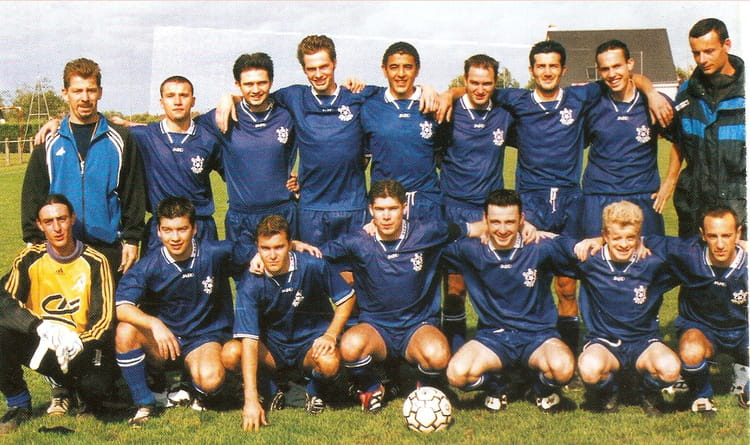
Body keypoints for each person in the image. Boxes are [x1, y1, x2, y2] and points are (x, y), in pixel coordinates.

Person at [438, 40, 673, 362]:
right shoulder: (516, 100)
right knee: (521, 280)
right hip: (531, 203)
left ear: (563, 70)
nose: (547, 72)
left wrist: (651, 91)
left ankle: (572, 354)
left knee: (567, 285)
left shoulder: (580, 97)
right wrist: (447, 94)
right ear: (532, 70)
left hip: (571, 202)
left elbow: (627, 78)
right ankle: (515, 348)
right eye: (541, 66)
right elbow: (471, 90)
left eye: (553, 66)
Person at [322, 179, 482, 413]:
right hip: (376, 327)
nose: (386, 216)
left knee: (438, 355)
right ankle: (372, 387)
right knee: (350, 346)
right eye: (380, 209)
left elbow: (473, 229)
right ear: (371, 210)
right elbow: (315, 256)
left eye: (392, 208)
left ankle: (425, 386)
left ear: (404, 208)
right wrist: (292, 245)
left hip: (417, 326)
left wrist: (522, 228)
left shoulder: (427, 232)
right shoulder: (357, 241)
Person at [114, 197, 242, 427]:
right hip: (166, 341)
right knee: (125, 331)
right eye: (167, 230)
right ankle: (145, 401)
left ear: (194, 229)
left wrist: (292, 246)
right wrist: (154, 324)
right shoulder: (149, 265)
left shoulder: (215, 252)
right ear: (158, 231)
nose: (175, 237)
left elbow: (260, 250)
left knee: (211, 380)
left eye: (182, 229)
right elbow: (122, 307)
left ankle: (190, 386)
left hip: (203, 339)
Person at [443, 189, 574, 413]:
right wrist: (470, 229)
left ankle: (538, 387)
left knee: (563, 370)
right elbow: (429, 241)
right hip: (494, 337)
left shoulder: (539, 247)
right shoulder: (470, 249)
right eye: (495, 222)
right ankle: (498, 386)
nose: (502, 230)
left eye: (510, 222)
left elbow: (578, 249)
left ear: (522, 219)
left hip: (538, 336)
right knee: (457, 375)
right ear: (484, 219)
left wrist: (546, 234)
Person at [224, 214, 356, 431]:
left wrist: (331, 334)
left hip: (309, 346)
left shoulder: (312, 265)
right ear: (257, 247)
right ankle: (271, 389)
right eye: (265, 248)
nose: (272, 255)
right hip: (273, 350)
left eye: (279, 247)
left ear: (290, 245)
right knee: (231, 353)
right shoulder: (250, 282)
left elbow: (347, 298)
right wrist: (251, 399)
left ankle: (313, 390)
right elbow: (249, 341)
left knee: (330, 363)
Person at [0, 194, 115, 434]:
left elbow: (104, 319)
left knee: (95, 388)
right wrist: (38, 327)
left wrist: (79, 342)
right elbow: (5, 302)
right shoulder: (29, 258)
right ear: (40, 225)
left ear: (72, 218)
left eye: (61, 219)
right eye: (49, 221)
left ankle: (75, 391)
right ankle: (18, 404)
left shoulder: (96, 261)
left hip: (81, 347)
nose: (57, 227)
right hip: (44, 343)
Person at [22, 57, 145, 279]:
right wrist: (33, 240)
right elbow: (34, 194)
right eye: (78, 91)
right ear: (65, 93)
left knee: (111, 303)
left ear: (100, 92)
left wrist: (132, 239)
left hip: (109, 249)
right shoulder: (49, 141)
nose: (85, 98)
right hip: (60, 250)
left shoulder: (121, 139)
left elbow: (133, 193)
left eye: (91, 90)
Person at [571, 201, 681, 416]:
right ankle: (609, 392)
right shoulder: (590, 260)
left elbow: (689, 251)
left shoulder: (652, 263)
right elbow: (553, 245)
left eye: (631, 237)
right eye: (617, 238)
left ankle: (647, 392)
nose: (623, 244)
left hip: (644, 342)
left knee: (670, 370)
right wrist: (530, 229)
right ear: (604, 235)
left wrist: (740, 244)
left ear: (639, 236)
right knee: (589, 369)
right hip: (605, 342)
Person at [438, 54, 514, 353]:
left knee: (492, 286)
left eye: (487, 83)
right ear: (465, 81)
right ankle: (454, 352)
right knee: (455, 287)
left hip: (491, 213)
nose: (480, 89)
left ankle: (492, 352)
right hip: (454, 209)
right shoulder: (449, 111)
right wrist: (450, 93)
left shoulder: (505, 113)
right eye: (474, 83)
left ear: (496, 83)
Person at [643, 206, 748, 416]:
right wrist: (598, 240)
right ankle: (702, 395)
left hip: (743, 330)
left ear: (738, 233)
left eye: (727, 235)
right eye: (713, 236)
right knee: (691, 350)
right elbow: (637, 238)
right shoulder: (688, 253)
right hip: (703, 330)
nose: (720, 244)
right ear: (702, 235)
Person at [582, 40, 681, 238]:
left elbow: (681, 140)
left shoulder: (656, 102)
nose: (612, 74)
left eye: (617, 66)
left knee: (650, 254)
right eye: (605, 69)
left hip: (643, 194)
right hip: (599, 195)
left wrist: (670, 182)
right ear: (599, 71)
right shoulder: (591, 103)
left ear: (630, 64)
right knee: (594, 254)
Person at [199, 53, 297, 250]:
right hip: (241, 218)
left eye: (262, 83)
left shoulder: (287, 114)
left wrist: (304, 177)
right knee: (243, 270)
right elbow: (183, 129)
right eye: (248, 84)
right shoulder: (223, 116)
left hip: (283, 213)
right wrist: (226, 98)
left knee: (288, 270)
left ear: (271, 83)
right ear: (238, 84)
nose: (255, 90)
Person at [673, 18, 745, 239]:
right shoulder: (686, 93)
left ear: (727, 44)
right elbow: (678, 142)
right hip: (694, 214)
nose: (702, 60)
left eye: (709, 51)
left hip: (739, 216)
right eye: (696, 53)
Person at [361, 42, 446, 223]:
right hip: (386, 205)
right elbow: (361, 161)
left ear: (417, 70)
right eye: (394, 67)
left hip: (426, 203)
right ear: (384, 70)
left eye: (408, 67)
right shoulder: (369, 106)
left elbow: (443, 159)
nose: (401, 74)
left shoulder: (433, 105)